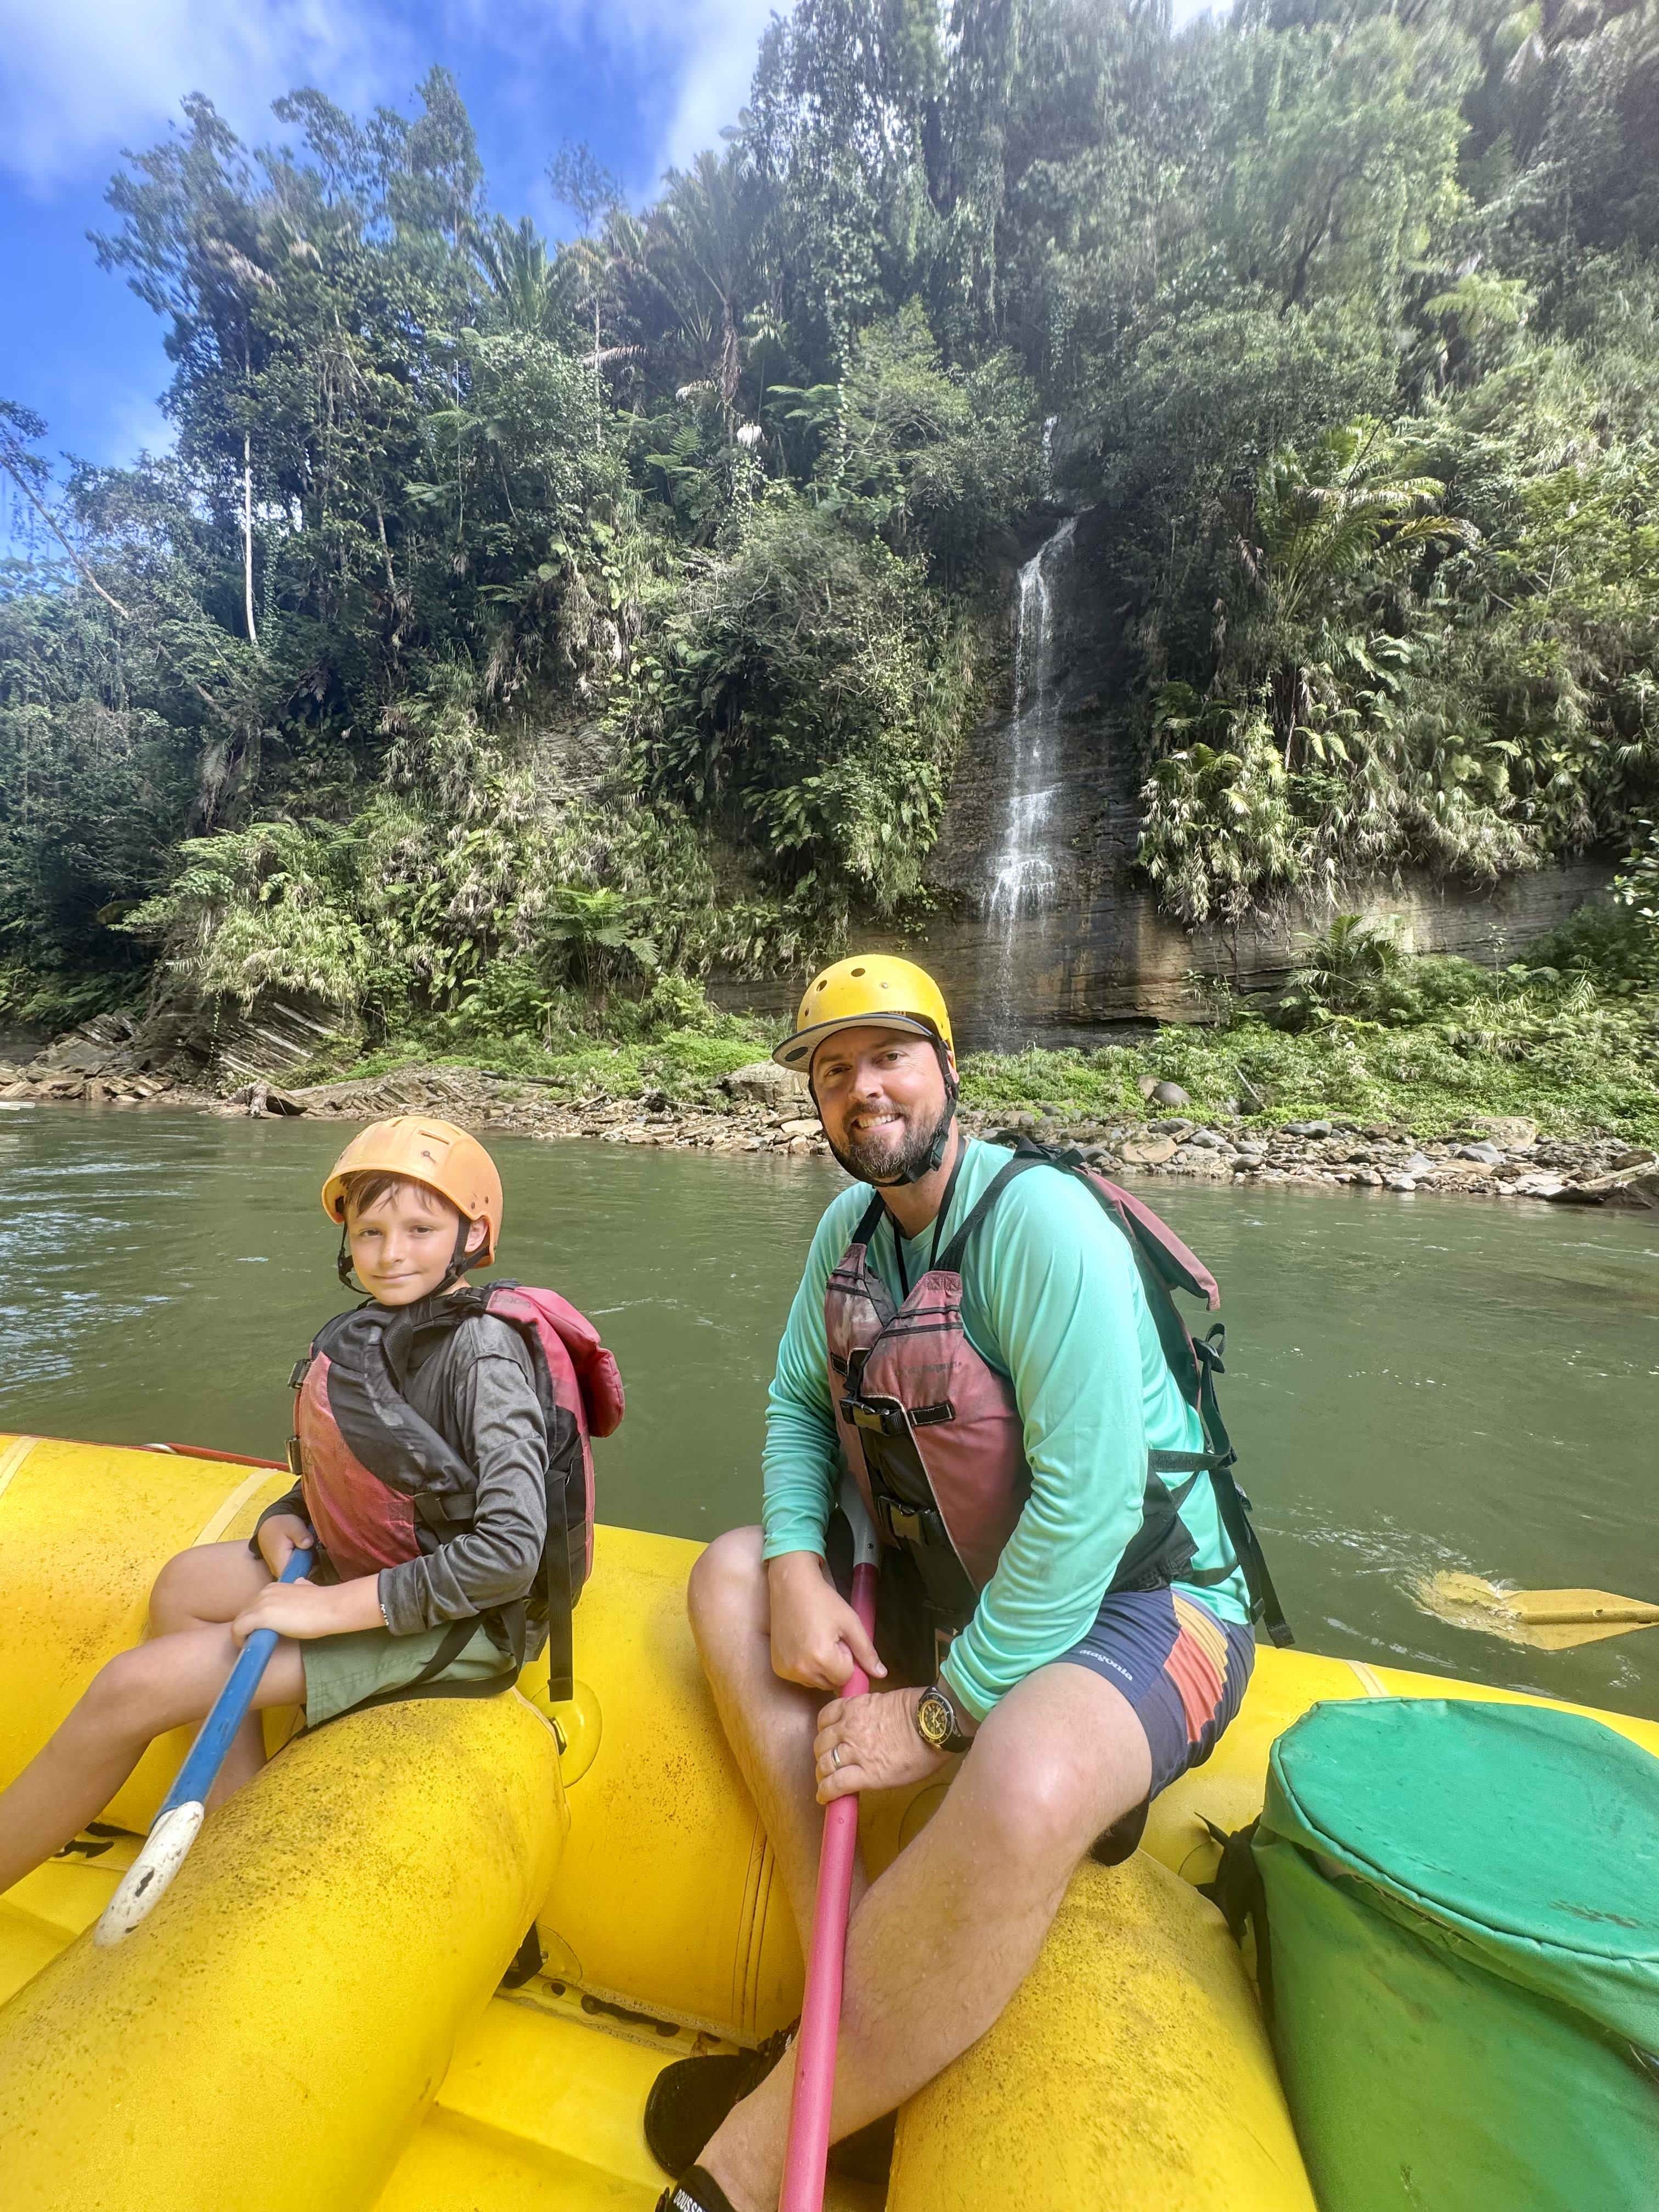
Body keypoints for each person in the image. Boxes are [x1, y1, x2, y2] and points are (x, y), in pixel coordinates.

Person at [647, 956, 1285, 2212]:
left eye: (890, 1057)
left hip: (1148, 1605)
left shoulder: (1042, 1225)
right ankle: (852, 1992)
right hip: (963, 1591)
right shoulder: (849, 1232)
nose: (863, 1090)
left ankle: (747, 2168)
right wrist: (794, 1560)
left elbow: (1093, 1507)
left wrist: (942, 1718)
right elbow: (797, 1404)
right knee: (728, 1578)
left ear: (949, 1071)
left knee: (1028, 1763)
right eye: (834, 1071)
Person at [0, 1115, 620, 1897]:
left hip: (468, 1622)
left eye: (421, 1230)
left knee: (132, 1687)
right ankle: (231, 1821)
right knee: (187, 1583)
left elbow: (508, 1556)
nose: (390, 1254)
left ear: (472, 1235)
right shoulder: (388, 1328)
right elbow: (388, 1468)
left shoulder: (484, 1354)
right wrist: (288, 1515)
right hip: (389, 1566)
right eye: (370, 1233)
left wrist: (326, 1610)